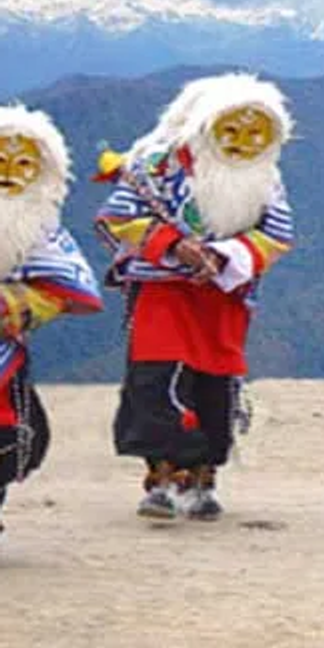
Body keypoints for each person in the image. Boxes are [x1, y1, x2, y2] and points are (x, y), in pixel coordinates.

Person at [93, 72, 295, 522]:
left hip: (222, 293)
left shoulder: (265, 180)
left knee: (214, 382)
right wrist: (173, 244)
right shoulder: (155, 167)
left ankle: (203, 478)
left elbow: (277, 236)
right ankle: (163, 478)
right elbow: (119, 216)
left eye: (254, 133)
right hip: (163, 290)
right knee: (156, 377)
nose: (241, 142)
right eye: (230, 129)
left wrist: (225, 255)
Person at [0, 103, 104, 536]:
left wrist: (13, 305)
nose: (9, 173)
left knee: (7, 436)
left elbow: (71, 285)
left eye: (24, 163)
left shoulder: (41, 231)